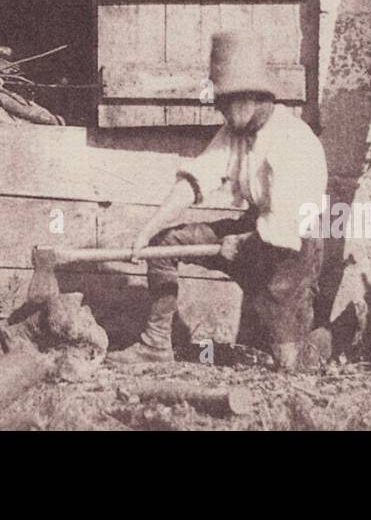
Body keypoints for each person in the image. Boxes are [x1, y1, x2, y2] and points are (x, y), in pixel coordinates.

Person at [107, 30, 332, 370]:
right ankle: (155, 346)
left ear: (252, 97)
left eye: (225, 101)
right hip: (252, 230)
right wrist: (149, 228)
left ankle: (333, 334)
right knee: (165, 243)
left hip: (293, 251)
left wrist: (240, 245)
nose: (220, 110)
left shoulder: (294, 143)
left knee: (289, 363)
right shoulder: (235, 131)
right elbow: (197, 179)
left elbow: (284, 233)